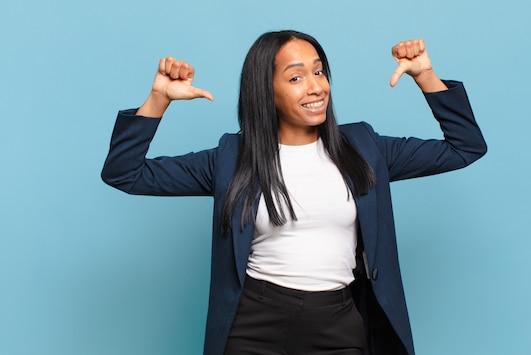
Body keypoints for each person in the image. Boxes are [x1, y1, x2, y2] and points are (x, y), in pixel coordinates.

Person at [101, 30, 487, 355]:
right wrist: (158, 100)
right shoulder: (231, 159)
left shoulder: (365, 148)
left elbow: (464, 147)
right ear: (265, 90)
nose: (316, 86)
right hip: (252, 323)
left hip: (337, 324)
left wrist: (427, 77)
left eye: (319, 71)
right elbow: (125, 173)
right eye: (296, 77)